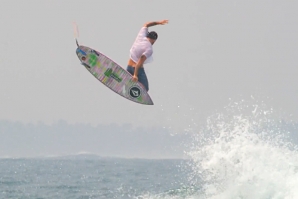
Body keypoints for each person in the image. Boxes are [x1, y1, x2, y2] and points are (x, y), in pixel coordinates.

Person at [127, 20, 169, 91]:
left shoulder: (141, 35)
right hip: (136, 69)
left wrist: (158, 23)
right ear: (154, 40)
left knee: (126, 81)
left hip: (129, 66)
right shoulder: (149, 49)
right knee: (145, 89)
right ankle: (132, 86)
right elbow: (140, 61)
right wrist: (135, 75)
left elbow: (146, 24)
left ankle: (127, 83)